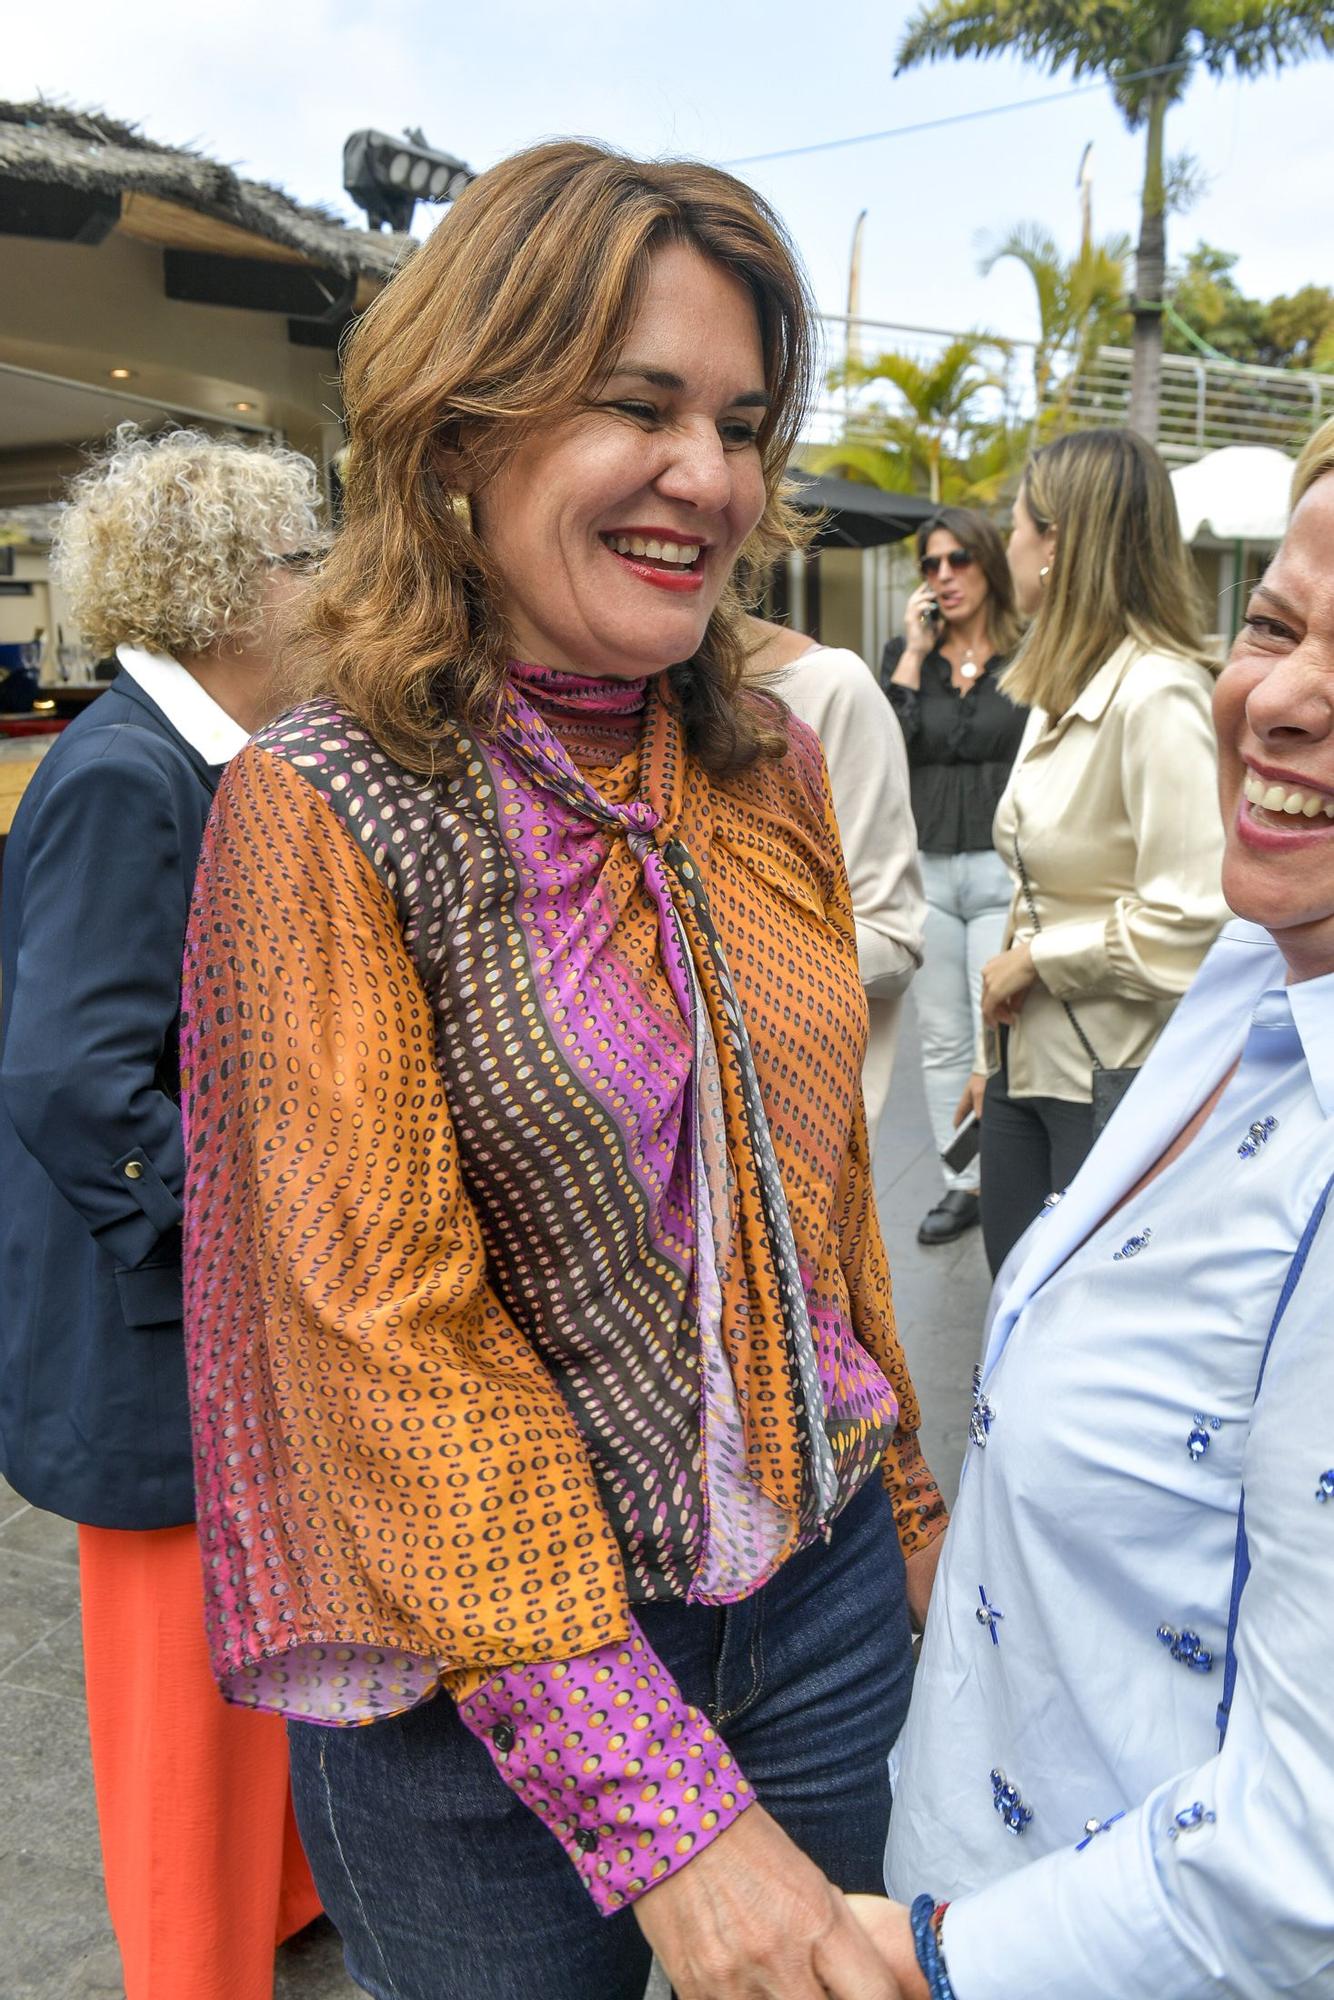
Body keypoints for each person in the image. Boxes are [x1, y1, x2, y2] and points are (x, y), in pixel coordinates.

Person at [179, 142, 946, 2000]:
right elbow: (387, 1345)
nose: (711, 474)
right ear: (459, 436)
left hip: (825, 1612)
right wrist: (658, 1805)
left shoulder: (759, 765)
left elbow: (819, 1205)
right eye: (639, 405)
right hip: (489, 1708)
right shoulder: (324, 807)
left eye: (741, 420)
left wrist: (911, 1527)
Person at [847, 414, 1334, 1999]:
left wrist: (931, 1955)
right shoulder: (1265, 981)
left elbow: (1295, 1871)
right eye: (1273, 622)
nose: (1283, 696)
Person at [0, 428, 324, 2000]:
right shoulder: (131, 770)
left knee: (240, 1680)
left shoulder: (189, 756)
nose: (318, 590)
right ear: (220, 592)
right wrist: (244, 1241)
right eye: (295, 561)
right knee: (180, 1726)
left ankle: (259, 1921)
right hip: (155, 1343)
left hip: (192, 1324)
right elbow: (69, 1076)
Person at [966, 430, 1229, 1275]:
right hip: (1024, 1060)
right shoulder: (1061, 684)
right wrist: (987, 1054)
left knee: (1074, 1316)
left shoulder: (1158, 695)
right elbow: (1039, 887)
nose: (1005, 543)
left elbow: (1196, 918)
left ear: (1058, 546)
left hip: (1112, 1074)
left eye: (1017, 525)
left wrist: (1040, 961)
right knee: (1013, 1294)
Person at [880, 508, 1025, 1248]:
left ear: (990, 564)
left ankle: (1009, 1170)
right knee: (940, 1037)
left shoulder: (1032, 654)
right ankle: (961, 1181)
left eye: (958, 559)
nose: (943, 575)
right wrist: (911, 655)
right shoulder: (911, 661)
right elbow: (888, 756)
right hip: (930, 870)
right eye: (931, 564)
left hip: (1004, 872)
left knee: (994, 1033)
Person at [746, 615, 925, 1143]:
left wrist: (714, 973)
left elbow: (892, 934)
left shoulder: (830, 686)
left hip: (786, 1140)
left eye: (957, 561)